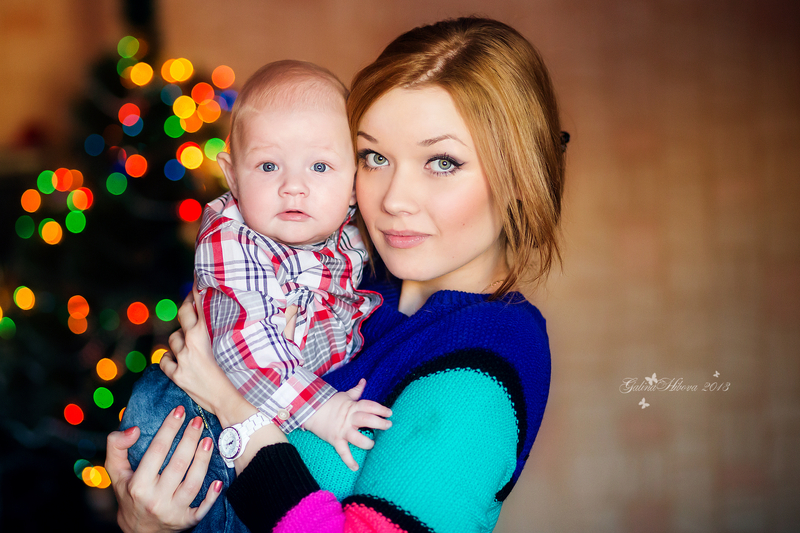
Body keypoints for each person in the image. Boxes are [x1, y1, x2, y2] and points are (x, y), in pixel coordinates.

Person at [107, 16, 567, 533]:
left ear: (519, 175)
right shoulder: (346, 279)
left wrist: (238, 412)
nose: (393, 199)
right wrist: (145, 526)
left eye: (442, 162)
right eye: (375, 157)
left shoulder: (483, 358)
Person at [118, 60, 391, 531]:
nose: (293, 187)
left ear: (353, 183)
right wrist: (325, 410)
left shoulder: (351, 236)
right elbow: (244, 346)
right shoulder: (236, 238)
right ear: (232, 175)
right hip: (191, 418)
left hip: (259, 414)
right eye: (268, 165)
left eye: (320, 166)